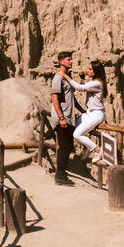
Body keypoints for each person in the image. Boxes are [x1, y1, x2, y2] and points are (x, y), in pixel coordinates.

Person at [68, 60, 107, 163]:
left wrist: (65, 76)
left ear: (96, 71)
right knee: (71, 126)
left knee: (77, 134)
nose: (87, 71)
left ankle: (98, 150)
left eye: (90, 69)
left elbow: (79, 88)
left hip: (96, 114)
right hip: (90, 113)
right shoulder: (94, 82)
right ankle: (87, 146)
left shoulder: (97, 83)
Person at [49, 50, 77, 185]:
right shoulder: (58, 78)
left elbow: (71, 97)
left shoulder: (66, 77)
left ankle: (62, 173)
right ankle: (59, 176)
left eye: (71, 59)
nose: (71, 62)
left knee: (68, 145)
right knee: (64, 146)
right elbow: (54, 98)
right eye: (68, 60)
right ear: (61, 62)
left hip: (68, 117)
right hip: (63, 118)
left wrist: (82, 110)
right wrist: (61, 118)